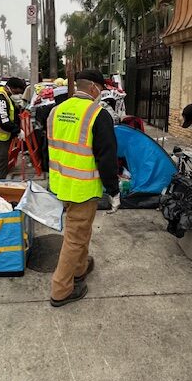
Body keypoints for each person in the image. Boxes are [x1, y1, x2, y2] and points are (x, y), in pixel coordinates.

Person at [47, 69, 120, 307]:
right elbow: (107, 158)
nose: (103, 93)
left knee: (80, 232)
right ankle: (61, 289)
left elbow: (46, 146)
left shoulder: (56, 111)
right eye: (102, 89)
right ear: (93, 89)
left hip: (61, 183)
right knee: (75, 238)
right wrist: (114, 190)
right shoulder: (98, 114)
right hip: (83, 188)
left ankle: (80, 268)